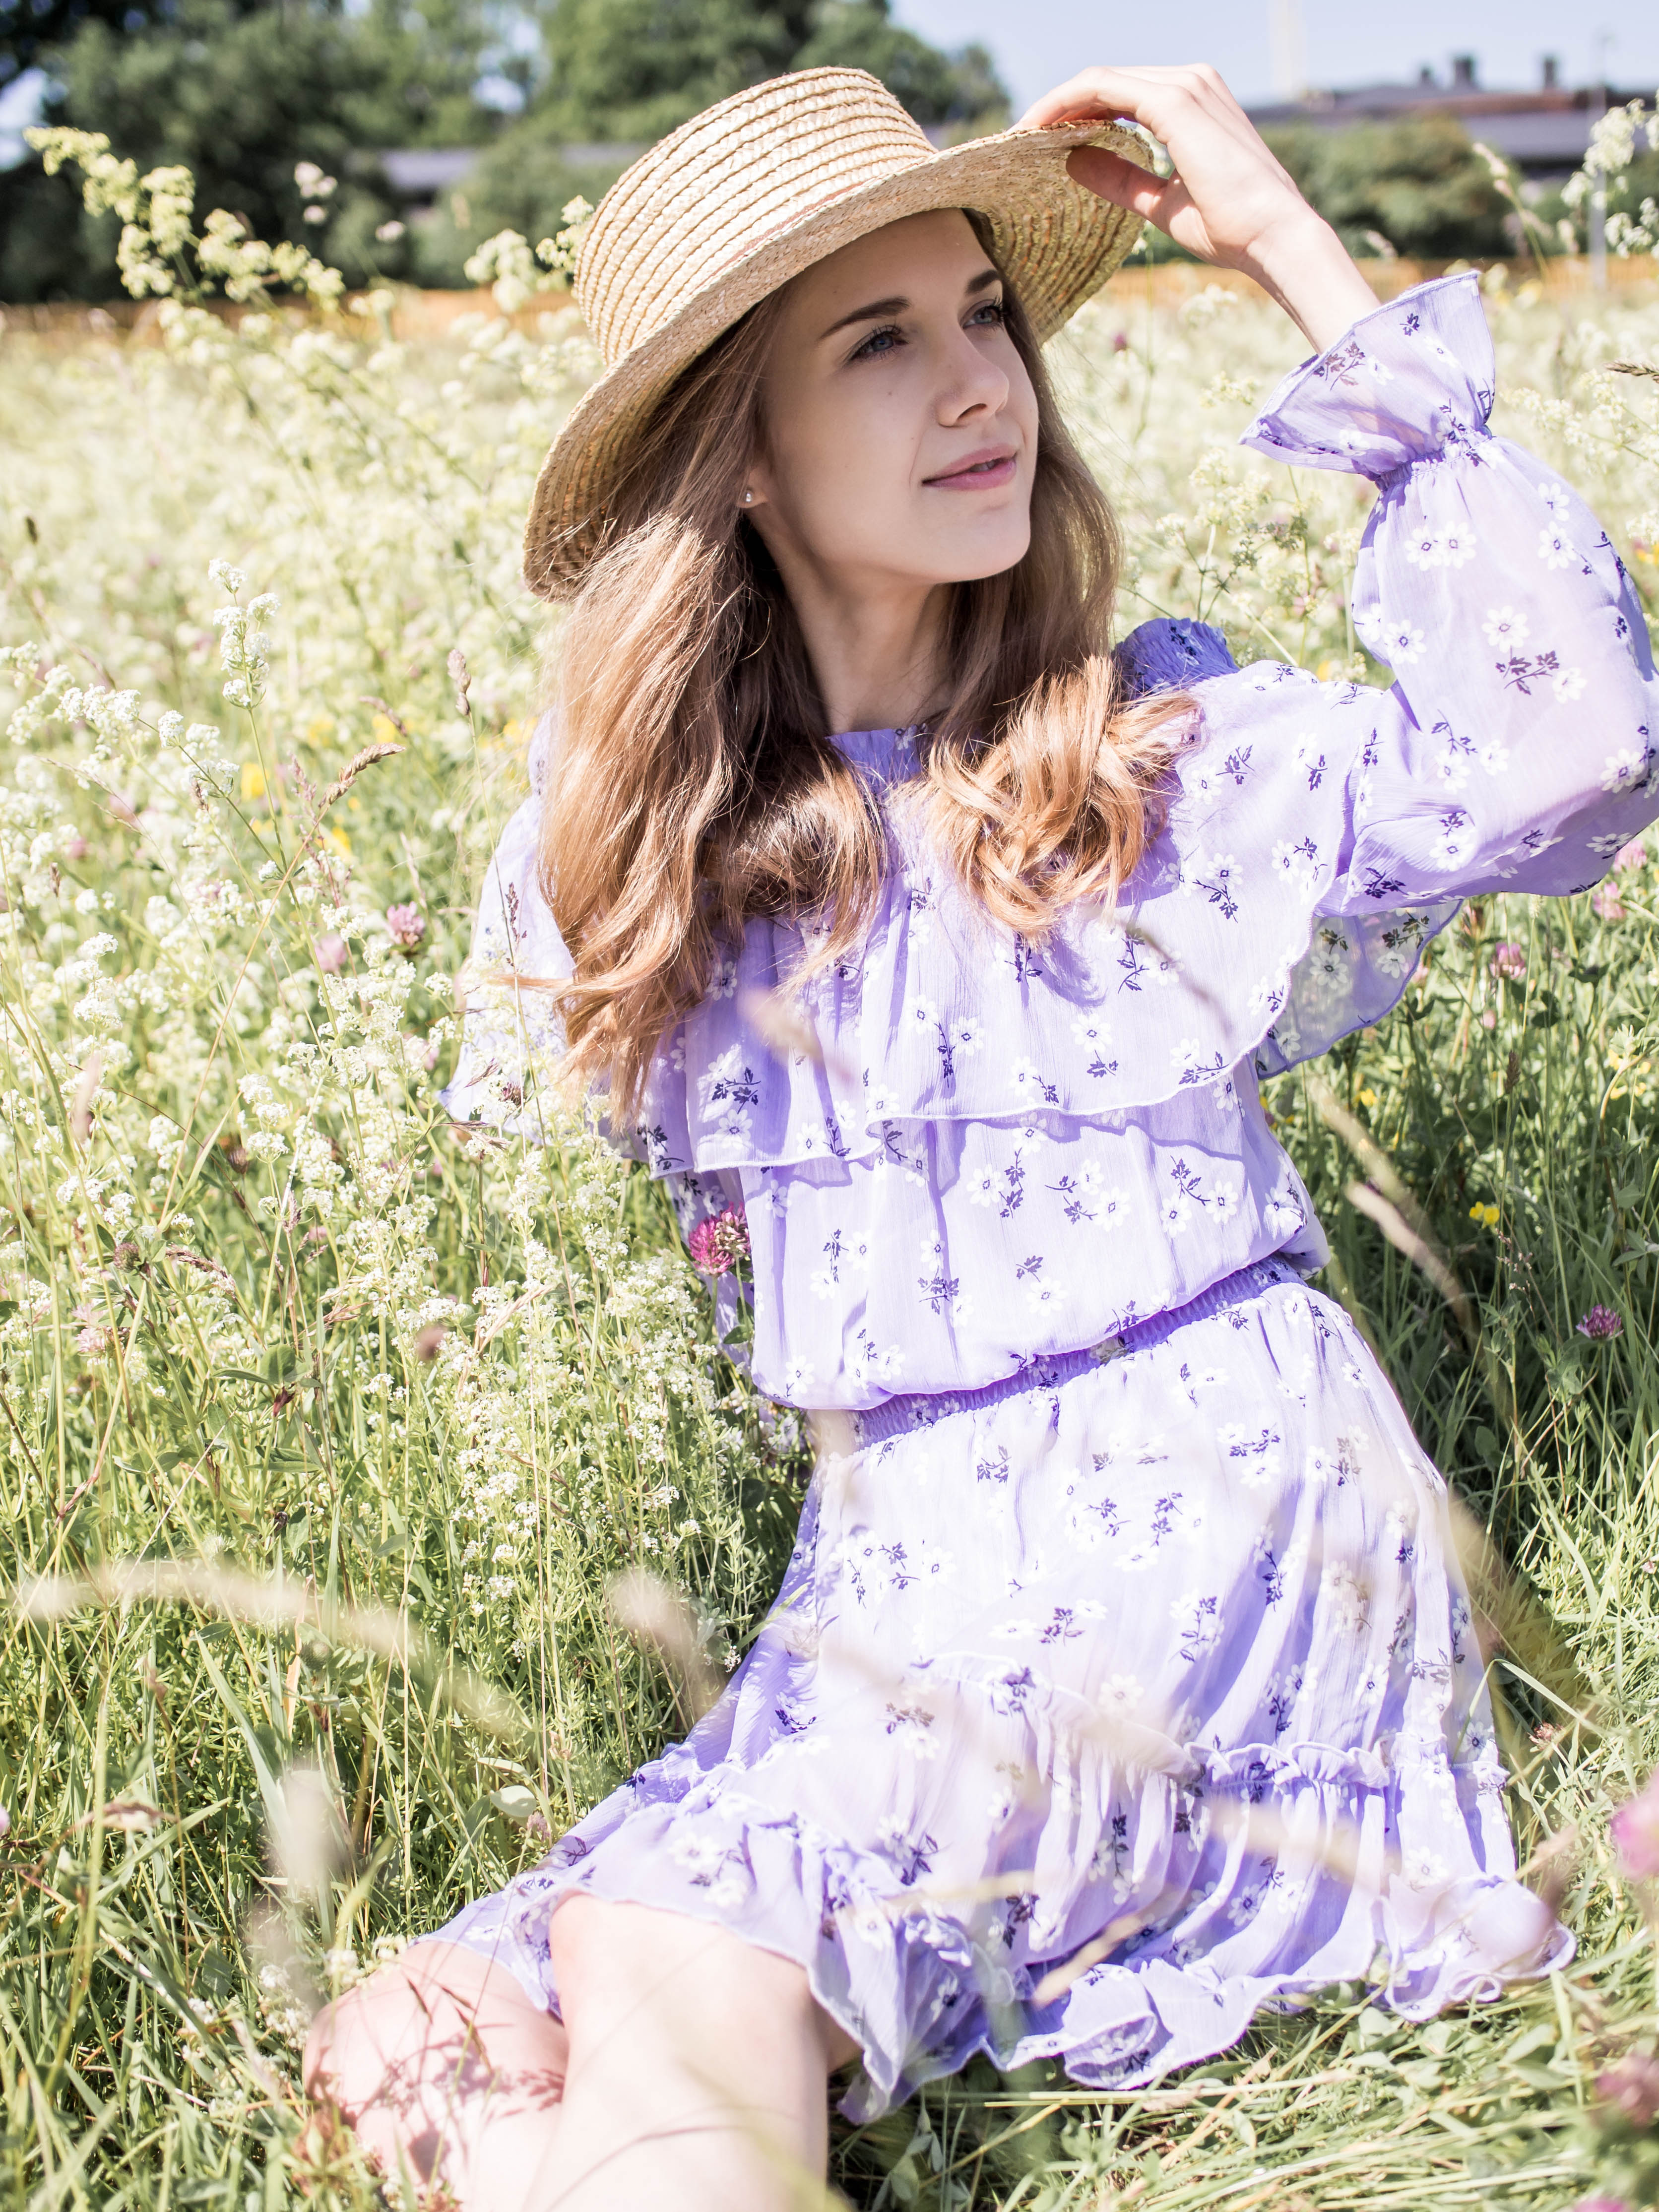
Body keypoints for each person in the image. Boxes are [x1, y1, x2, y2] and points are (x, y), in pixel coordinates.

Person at [304, 59, 1658, 2212]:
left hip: (1207, 1525)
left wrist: (1290, 254)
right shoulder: (695, 865)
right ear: (736, 453)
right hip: (904, 1584)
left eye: (984, 319)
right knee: (401, 2026)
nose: (979, 386)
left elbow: (1577, 753)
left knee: (660, 1955)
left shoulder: (1140, 764)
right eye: (879, 338)